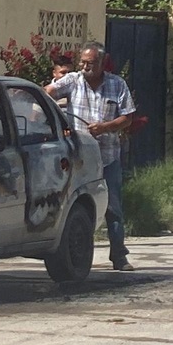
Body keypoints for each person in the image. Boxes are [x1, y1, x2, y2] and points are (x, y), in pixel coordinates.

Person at [46, 42, 137, 271]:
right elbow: (48, 93)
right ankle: (74, 256)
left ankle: (119, 256)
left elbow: (128, 117)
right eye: (83, 62)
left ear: (102, 64)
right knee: (74, 205)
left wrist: (105, 127)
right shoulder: (73, 80)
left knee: (113, 208)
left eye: (91, 63)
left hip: (108, 157)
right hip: (80, 158)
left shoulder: (117, 85)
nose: (85, 67)